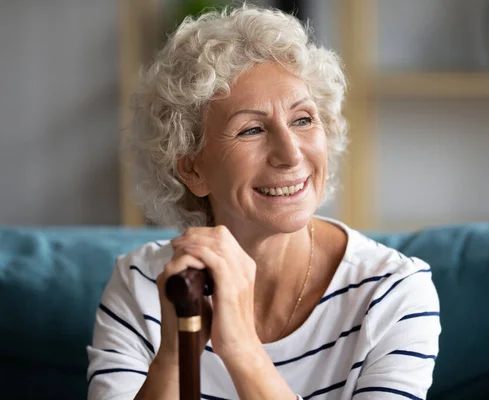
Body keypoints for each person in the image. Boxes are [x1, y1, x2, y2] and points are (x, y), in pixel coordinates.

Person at [87, 5, 441, 400]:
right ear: (192, 169)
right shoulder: (142, 287)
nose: (290, 154)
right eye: (251, 129)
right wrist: (174, 354)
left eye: (303, 120)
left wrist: (242, 349)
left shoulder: (394, 292)